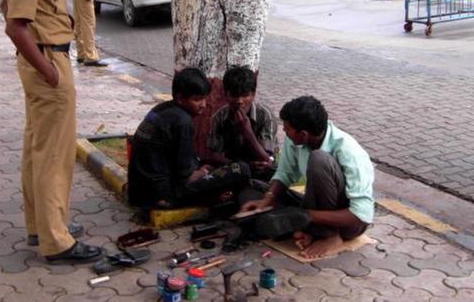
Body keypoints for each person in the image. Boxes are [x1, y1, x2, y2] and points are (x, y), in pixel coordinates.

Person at [2, 0, 104, 265]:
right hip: (47, 61)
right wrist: (48, 71)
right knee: (54, 155)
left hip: (44, 58)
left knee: (36, 149)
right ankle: (57, 240)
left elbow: (5, 5)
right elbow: (14, 25)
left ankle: (41, 226)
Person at [241, 96, 374, 259]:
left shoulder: (348, 150)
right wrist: (267, 200)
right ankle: (311, 230)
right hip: (315, 209)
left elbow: (361, 214)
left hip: (348, 224)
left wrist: (307, 215)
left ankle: (329, 236)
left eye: (287, 128)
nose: (284, 131)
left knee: (319, 159)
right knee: (249, 192)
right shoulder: (296, 140)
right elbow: (284, 173)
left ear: (304, 134)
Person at [128, 68, 251, 209]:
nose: (203, 105)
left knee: (209, 165)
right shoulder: (183, 121)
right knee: (242, 169)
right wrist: (202, 172)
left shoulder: (161, 109)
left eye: (205, 98)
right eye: (197, 99)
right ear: (180, 98)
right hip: (162, 196)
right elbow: (186, 177)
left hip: (139, 191)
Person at [208, 65, 277, 181]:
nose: (240, 101)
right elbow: (214, 155)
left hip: (261, 172)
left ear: (253, 95)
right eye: (234, 96)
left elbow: (266, 159)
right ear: (226, 95)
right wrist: (241, 166)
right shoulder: (219, 117)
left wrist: (247, 132)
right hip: (232, 168)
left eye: (245, 95)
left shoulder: (266, 116)